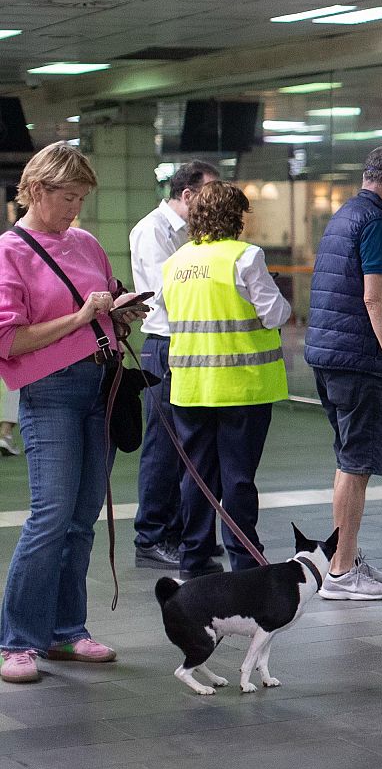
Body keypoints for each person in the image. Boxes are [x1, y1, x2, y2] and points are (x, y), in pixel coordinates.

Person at [0, 142, 145, 683]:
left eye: (82, 197)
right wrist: (83, 317)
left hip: (100, 384)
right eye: (67, 196)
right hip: (51, 391)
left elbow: (105, 299)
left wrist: (122, 310)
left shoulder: (85, 243)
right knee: (50, 516)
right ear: (36, 189)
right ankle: (16, 640)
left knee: (83, 519)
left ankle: (66, 629)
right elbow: (9, 340)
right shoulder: (10, 250)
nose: (75, 208)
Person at [163, 181, 289, 579]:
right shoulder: (245, 257)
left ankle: (195, 558)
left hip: (189, 388)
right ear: (235, 216)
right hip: (242, 387)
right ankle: (245, 558)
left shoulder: (176, 262)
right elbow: (275, 314)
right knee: (237, 479)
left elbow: (168, 318)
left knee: (196, 477)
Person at [304, 147, 382, 602]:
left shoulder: (346, 214)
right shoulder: (376, 223)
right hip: (359, 359)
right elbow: (375, 297)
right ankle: (342, 571)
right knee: (357, 464)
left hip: (330, 355)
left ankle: (341, 557)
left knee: (348, 460)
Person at [129, 159, 219, 570]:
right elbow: (168, 293)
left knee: (190, 444)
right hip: (165, 345)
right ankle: (152, 536)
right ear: (188, 195)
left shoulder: (189, 233)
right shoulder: (153, 231)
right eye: (209, 192)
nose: (215, 202)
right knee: (164, 446)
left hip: (191, 344)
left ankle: (183, 530)